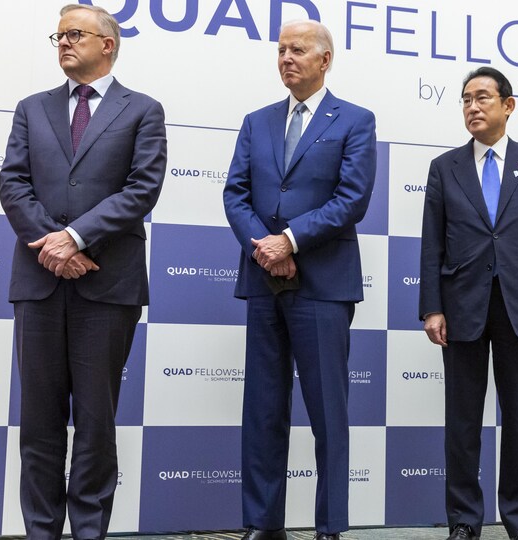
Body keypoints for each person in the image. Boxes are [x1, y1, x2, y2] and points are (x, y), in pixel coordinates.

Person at [0, 4, 167, 538]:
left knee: (96, 424)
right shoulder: (32, 107)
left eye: (76, 34)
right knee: (39, 423)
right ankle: (41, 532)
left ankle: (89, 531)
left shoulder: (142, 109)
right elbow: (13, 184)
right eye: (60, 34)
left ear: (108, 44)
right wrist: (53, 244)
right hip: (39, 283)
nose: (64, 42)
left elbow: (142, 189)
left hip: (107, 285)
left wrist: (75, 237)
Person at [222, 19, 377, 540]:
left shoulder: (355, 120)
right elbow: (235, 194)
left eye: (298, 50)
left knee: (328, 413)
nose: (286, 57)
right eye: (281, 49)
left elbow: (352, 199)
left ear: (325, 59)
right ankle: (262, 525)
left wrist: (289, 241)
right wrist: (265, 249)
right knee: (262, 410)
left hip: (323, 284)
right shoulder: (256, 121)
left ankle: (330, 526)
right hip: (263, 280)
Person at [419, 67, 518, 540]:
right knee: (462, 420)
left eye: (483, 97)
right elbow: (431, 246)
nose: (472, 107)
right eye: (465, 99)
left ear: (509, 104)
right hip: (461, 304)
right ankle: (464, 520)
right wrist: (431, 307)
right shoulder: (445, 167)